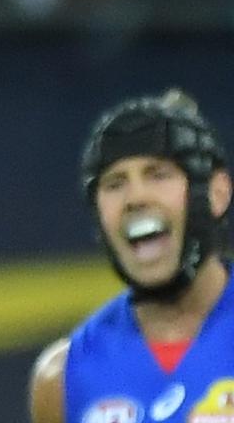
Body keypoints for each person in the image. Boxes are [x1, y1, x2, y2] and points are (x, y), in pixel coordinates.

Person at [29, 89, 234, 423]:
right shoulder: (61, 378)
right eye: (114, 184)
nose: (135, 197)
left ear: (217, 193)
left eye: (158, 174)